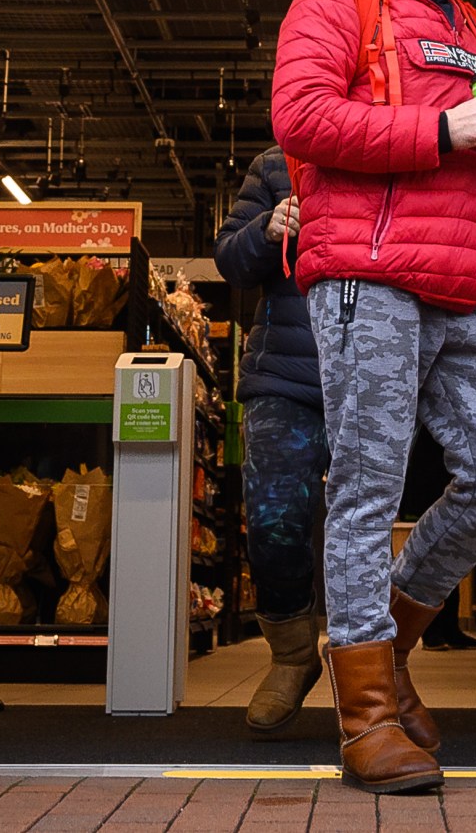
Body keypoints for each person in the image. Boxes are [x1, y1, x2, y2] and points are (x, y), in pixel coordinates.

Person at [271, 0, 476, 793]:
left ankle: (380, 648)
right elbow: (303, 116)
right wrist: (443, 127)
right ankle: (366, 720)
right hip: (369, 268)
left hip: (471, 274)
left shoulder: (471, 24)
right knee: (368, 487)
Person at [214, 146, 327, 733]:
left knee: (368, 527)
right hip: (285, 374)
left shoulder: (404, 143)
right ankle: (292, 653)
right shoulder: (276, 165)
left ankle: (379, 665)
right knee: (272, 520)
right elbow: (230, 260)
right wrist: (266, 228)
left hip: (378, 370)